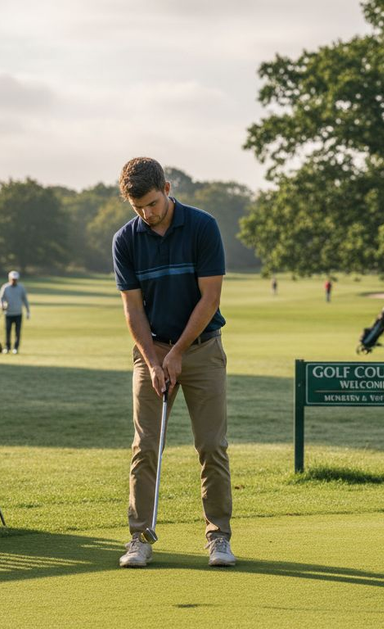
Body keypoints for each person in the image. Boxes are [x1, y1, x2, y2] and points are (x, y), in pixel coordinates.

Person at [112, 157, 234, 569]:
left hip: (201, 349)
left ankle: (218, 537)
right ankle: (139, 538)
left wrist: (178, 353)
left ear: (166, 186)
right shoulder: (126, 240)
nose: (147, 214)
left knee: (211, 446)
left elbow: (210, 298)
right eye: (137, 208)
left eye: (151, 203)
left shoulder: (202, 226)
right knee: (145, 447)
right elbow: (133, 310)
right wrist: (154, 360)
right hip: (151, 350)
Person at [0, 270, 31, 354]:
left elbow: (25, 300)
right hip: (8, 313)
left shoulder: (21, 288)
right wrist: (1, 306)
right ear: (9, 279)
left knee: (17, 332)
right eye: (12, 279)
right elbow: (0, 298)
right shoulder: (5, 287)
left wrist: (28, 311)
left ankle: (16, 348)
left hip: (18, 313)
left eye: (15, 279)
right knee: (8, 331)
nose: (14, 281)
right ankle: (7, 347)